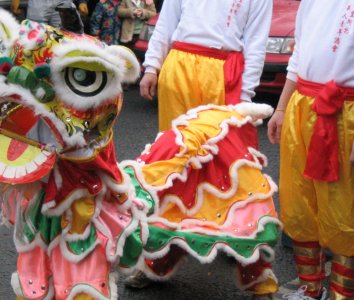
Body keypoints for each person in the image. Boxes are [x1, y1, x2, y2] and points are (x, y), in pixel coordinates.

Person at [267, 1, 354, 299]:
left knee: (344, 210)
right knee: (299, 204)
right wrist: (281, 108)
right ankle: (309, 287)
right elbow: (299, 54)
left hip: (345, 115)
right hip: (302, 107)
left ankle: (342, 294)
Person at [139, 0, 273, 131]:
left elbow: (256, 43)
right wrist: (151, 67)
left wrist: (245, 95)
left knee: (216, 141)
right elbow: (166, 24)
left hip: (221, 73)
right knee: (175, 140)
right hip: (179, 67)